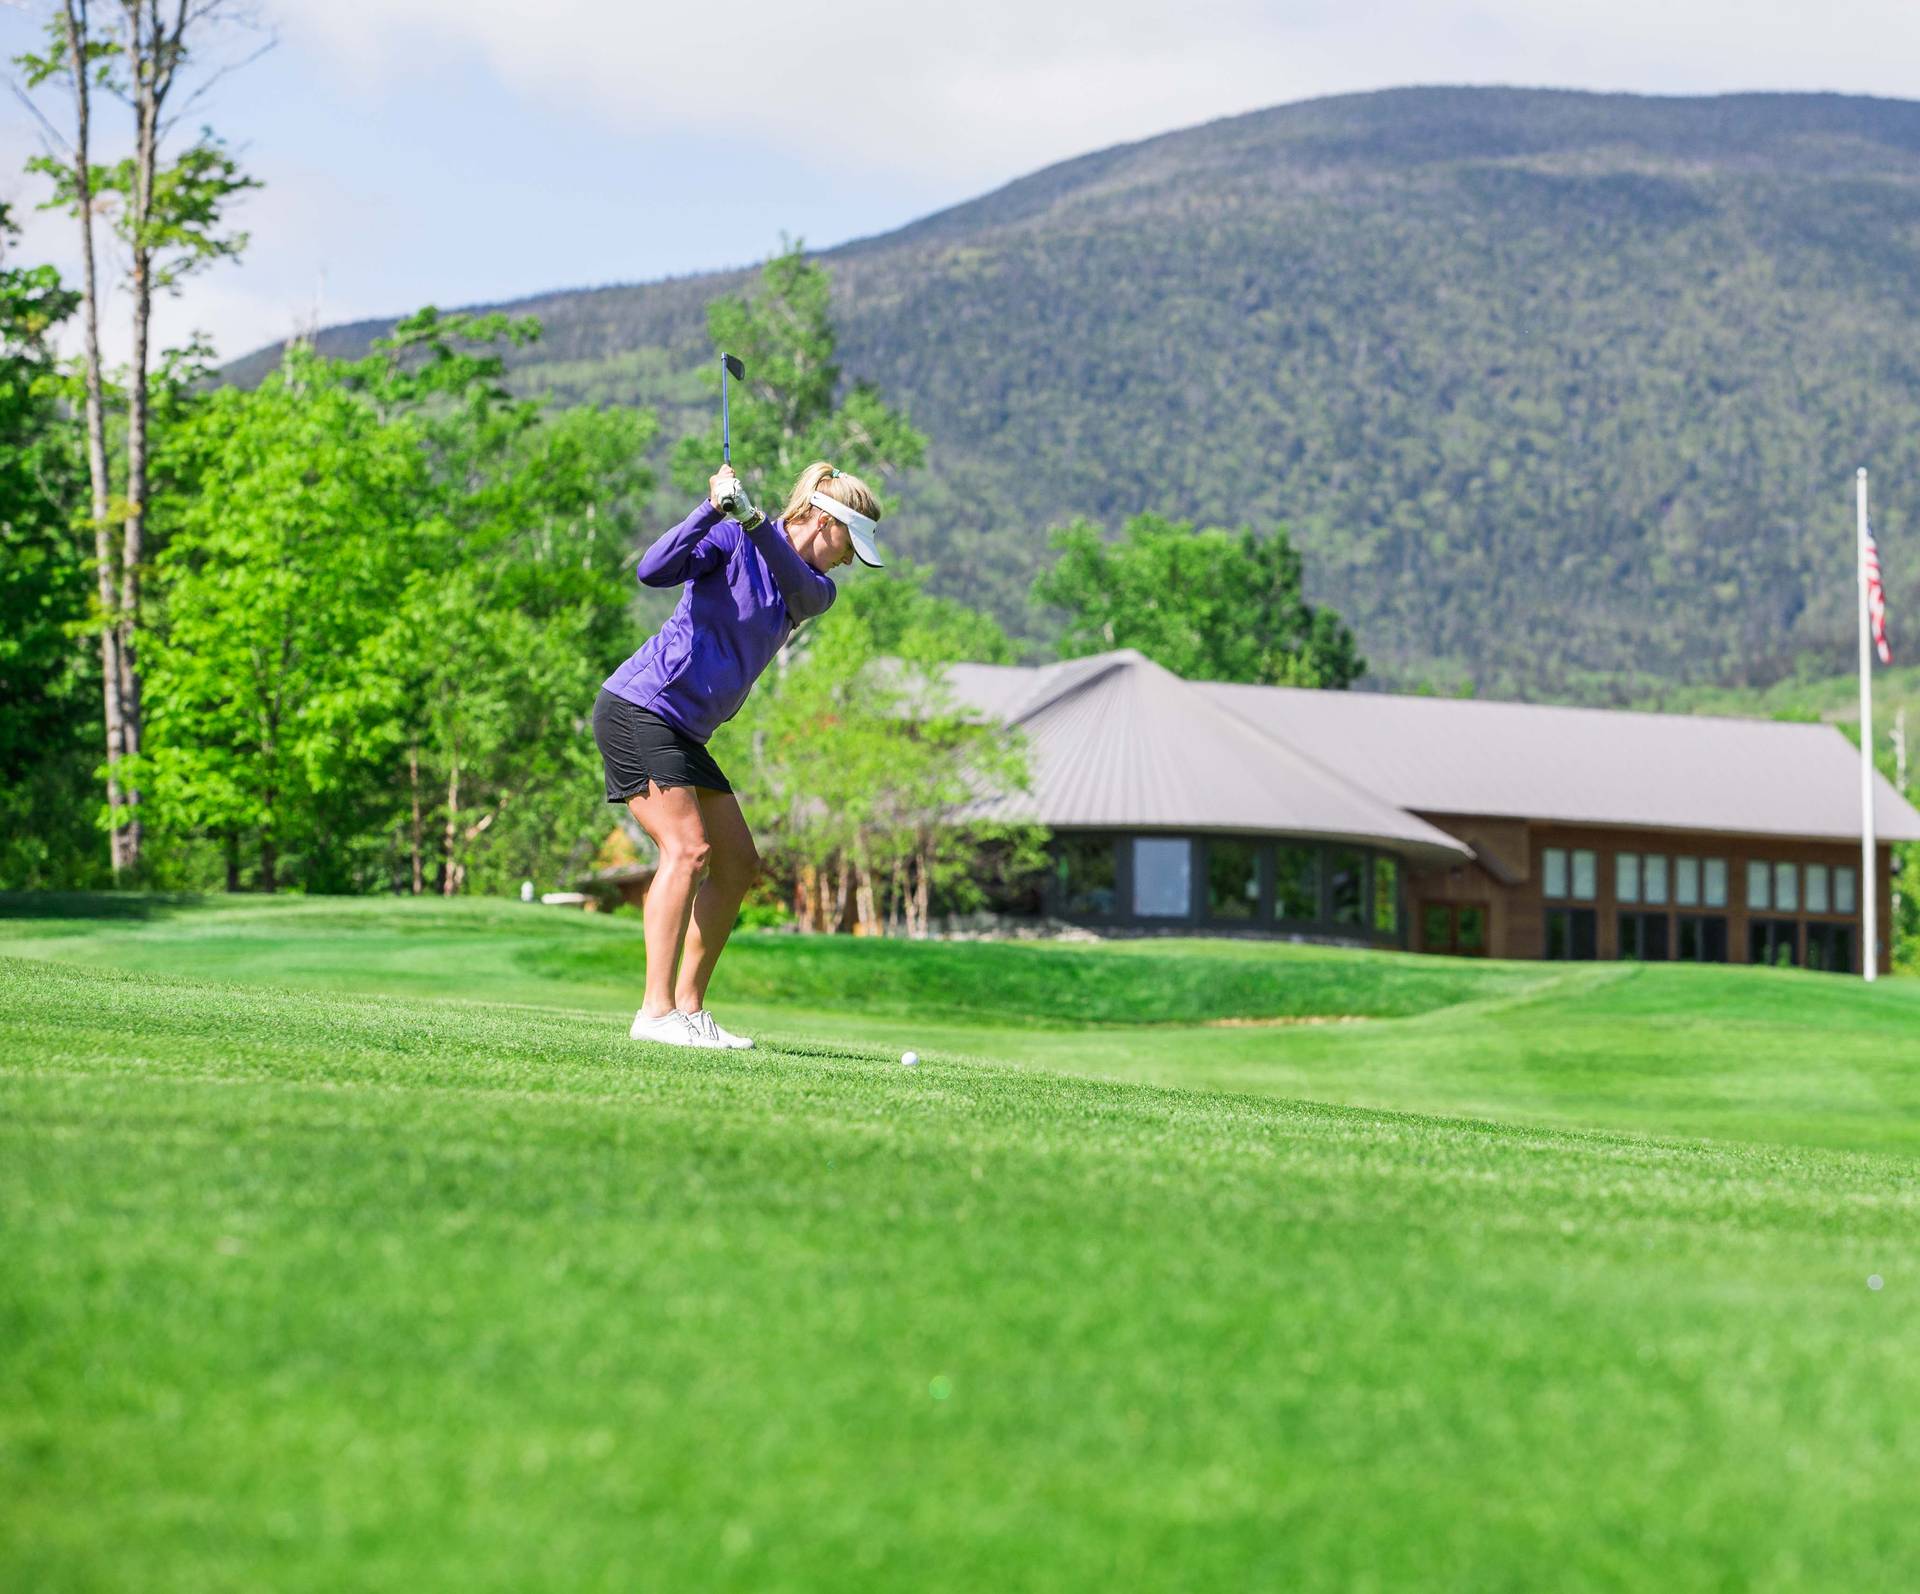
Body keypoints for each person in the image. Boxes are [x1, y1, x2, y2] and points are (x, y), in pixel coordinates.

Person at [593, 459, 885, 1048]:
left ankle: (688, 1009)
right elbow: (653, 571)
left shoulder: (812, 590)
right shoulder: (728, 537)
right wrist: (712, 511)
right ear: (821, 520)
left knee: (738, 862)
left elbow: (789, 574)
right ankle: (654, 1014)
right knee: (688, 849)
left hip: (685, 732)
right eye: (849, 543)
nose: (850, 559)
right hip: (641, 707)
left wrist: (752, 519)